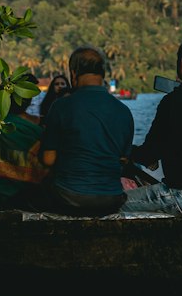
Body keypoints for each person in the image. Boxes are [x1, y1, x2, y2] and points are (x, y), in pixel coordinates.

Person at [122, 37, 182, 217]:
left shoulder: (172, 102)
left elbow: (149, 153)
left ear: (181, 63)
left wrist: (128, 153)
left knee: (118, 202)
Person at [39, 45, 134, 216]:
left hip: (69, 197)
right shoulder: (124, 111)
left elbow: (48, 159)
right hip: (112, 199)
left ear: (73, 74)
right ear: (102, 74)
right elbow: (123, 159)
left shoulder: (61, 106)